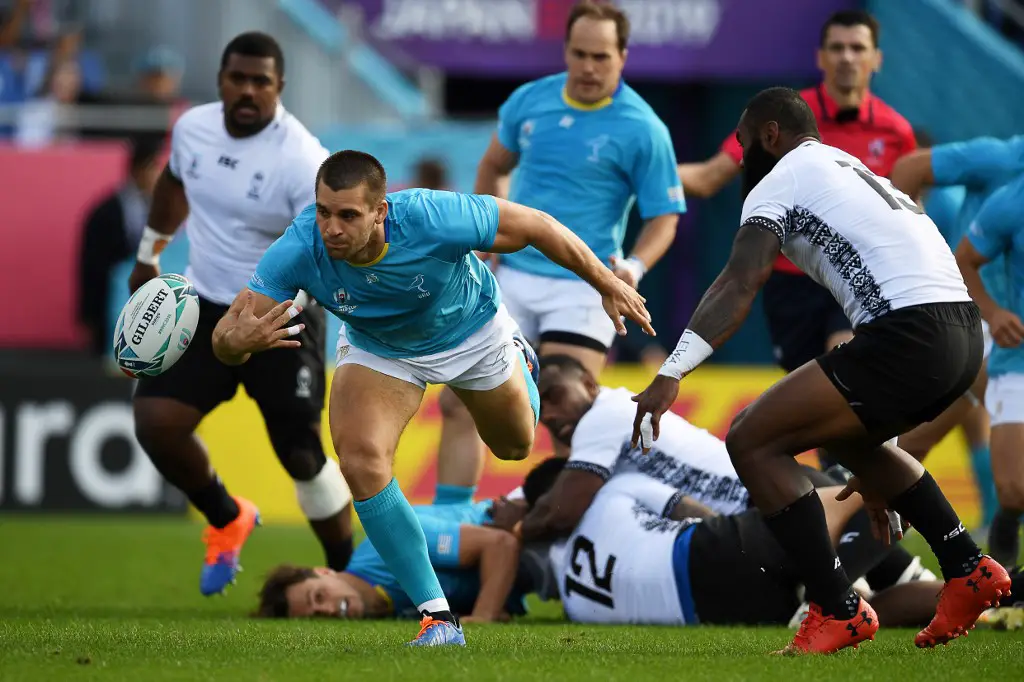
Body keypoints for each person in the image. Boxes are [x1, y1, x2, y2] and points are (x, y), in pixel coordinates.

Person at [209, 149, 653, 646]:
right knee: (359, 462)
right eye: (324, 212)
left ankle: (518, 356)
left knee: (514, 446)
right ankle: (437, 618)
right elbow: (227, 337)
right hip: (381, 348)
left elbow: (536, 226)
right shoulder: (298, 248)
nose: (332, 228)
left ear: (381, 211)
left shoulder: (430, 216)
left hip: (471, 334)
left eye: (349, 215)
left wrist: (606, 282)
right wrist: (235, 345)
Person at [631, 87, 1011, 655]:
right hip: (960, 333)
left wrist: (672, 371)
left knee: (752, 438)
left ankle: (837, 607)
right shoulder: (848, 166)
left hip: (911, 332)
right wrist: (874, 453)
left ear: (769, 136)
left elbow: (739, 281)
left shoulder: (780, 177)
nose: (740, 158)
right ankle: (967, 567)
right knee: (853, 447)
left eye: (742, 143)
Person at [127, 32, 354, 598]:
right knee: (156, 423)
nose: (248, 90)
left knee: (300, 454)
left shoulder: (303, 159)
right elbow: (175, 183)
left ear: (280, 87)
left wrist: (274, 315)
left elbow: (323, 249)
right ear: (222, 79)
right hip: (202, 306)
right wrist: (149, 250)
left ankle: (349, 568)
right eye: (238, 78)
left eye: (261, 82)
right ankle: (227, 516)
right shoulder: (192, 129)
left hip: (281, 313)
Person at [436, 0, 685, 490]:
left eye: (602, 57)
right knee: (458, 401)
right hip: (512, 278)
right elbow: (493, 168)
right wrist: (487, 238)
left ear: (623, 57)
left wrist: (632, 267)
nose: (589, 67)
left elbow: (664, 218)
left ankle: (570, 545)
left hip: (584, 286)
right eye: (579, 54)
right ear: (565, 51)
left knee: (568, 414)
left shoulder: (643, 128)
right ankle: (450, 533)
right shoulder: (531, 101)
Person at [678, 9, 914, 376]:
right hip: (791, 281)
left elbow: (905, 215)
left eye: (857, 47)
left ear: (876, 59)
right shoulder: (781, 118)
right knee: (805, 390)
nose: (847, 57)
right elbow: (709, 177)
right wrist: (640, 175)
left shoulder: (897, 132)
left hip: (855, 272)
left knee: (846, 361)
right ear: (820, 58)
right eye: (837, 48)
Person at [521, 459, 1024, 630]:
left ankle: (979, 601)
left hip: (723, 610)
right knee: (860, 489)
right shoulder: (609, 490)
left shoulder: (568, 589)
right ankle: (974, 573)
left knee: (864, 608)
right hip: (711, 555)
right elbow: (700, 515)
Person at [892, 133, 1024, 526]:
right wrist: (904, 260)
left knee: (920, 438)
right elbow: (908, 169)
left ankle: (995, 522)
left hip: (991, 330)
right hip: (972, 318)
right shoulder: (1001, 159)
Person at [519, 354, 749, 543]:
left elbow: (564, 512)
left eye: (555, 396)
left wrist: (519, 530)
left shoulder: (601, 417)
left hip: (745, 512)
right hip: (747, 508)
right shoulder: (613, 412)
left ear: (589, 384)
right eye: (538, 405)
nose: (547, 414)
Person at [255, 490, 526, 622]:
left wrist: (483, 615)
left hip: (525, 522)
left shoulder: (382, 547)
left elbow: (500, 544)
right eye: (315, 616)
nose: (327, 611)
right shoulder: (384, 611)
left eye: (318, 596)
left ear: (325, 571)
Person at [955, 171, 1024, 568]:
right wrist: (994, 313)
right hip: (1016, 356)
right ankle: (1005, 518)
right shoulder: (1011, 199)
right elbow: (963, 261)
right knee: (1014, 491)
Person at [78, 134, 165, 359]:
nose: (158, 177)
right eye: (154, 168)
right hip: (111, 307)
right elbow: (91, 267)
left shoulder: (161, 211)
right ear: (138, 169)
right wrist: (90, 314)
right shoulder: (105, 213)